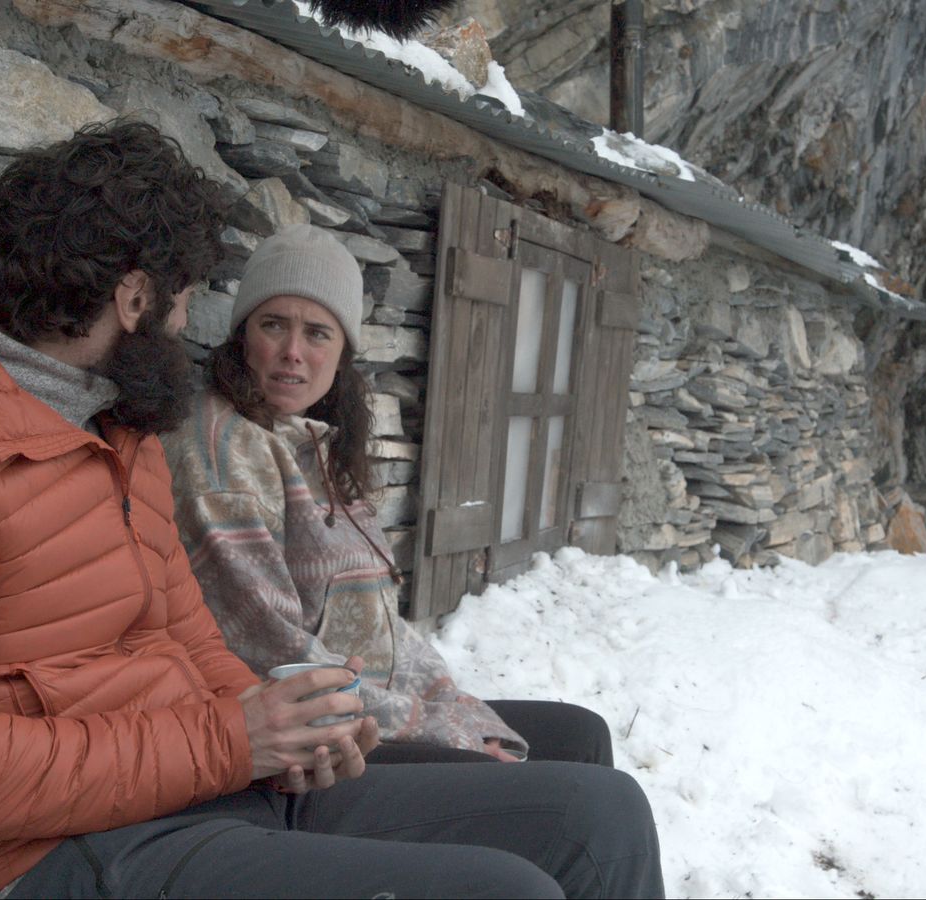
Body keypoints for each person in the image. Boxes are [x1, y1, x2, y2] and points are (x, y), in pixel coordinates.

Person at [0, 120, 663, 900]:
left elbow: (195, 646)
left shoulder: (116, 436)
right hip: (56, 856)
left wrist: (296, 738)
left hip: (208, 795)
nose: (185, 322)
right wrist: (234, 741)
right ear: (134, 298)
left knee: (598, 816)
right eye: (181, 298)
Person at [163, 224, 614, 766]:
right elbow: (269, 645)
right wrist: (443, 730)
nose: (292, 352)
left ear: (343, 351)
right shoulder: (223, 453)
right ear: (242, 336)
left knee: (583, 735)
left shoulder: (317, 443)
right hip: (331, 739)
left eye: (317, 333)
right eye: (273, 324)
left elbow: (381, 622)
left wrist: (451, 700)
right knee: (588, 799)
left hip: (380, 705)